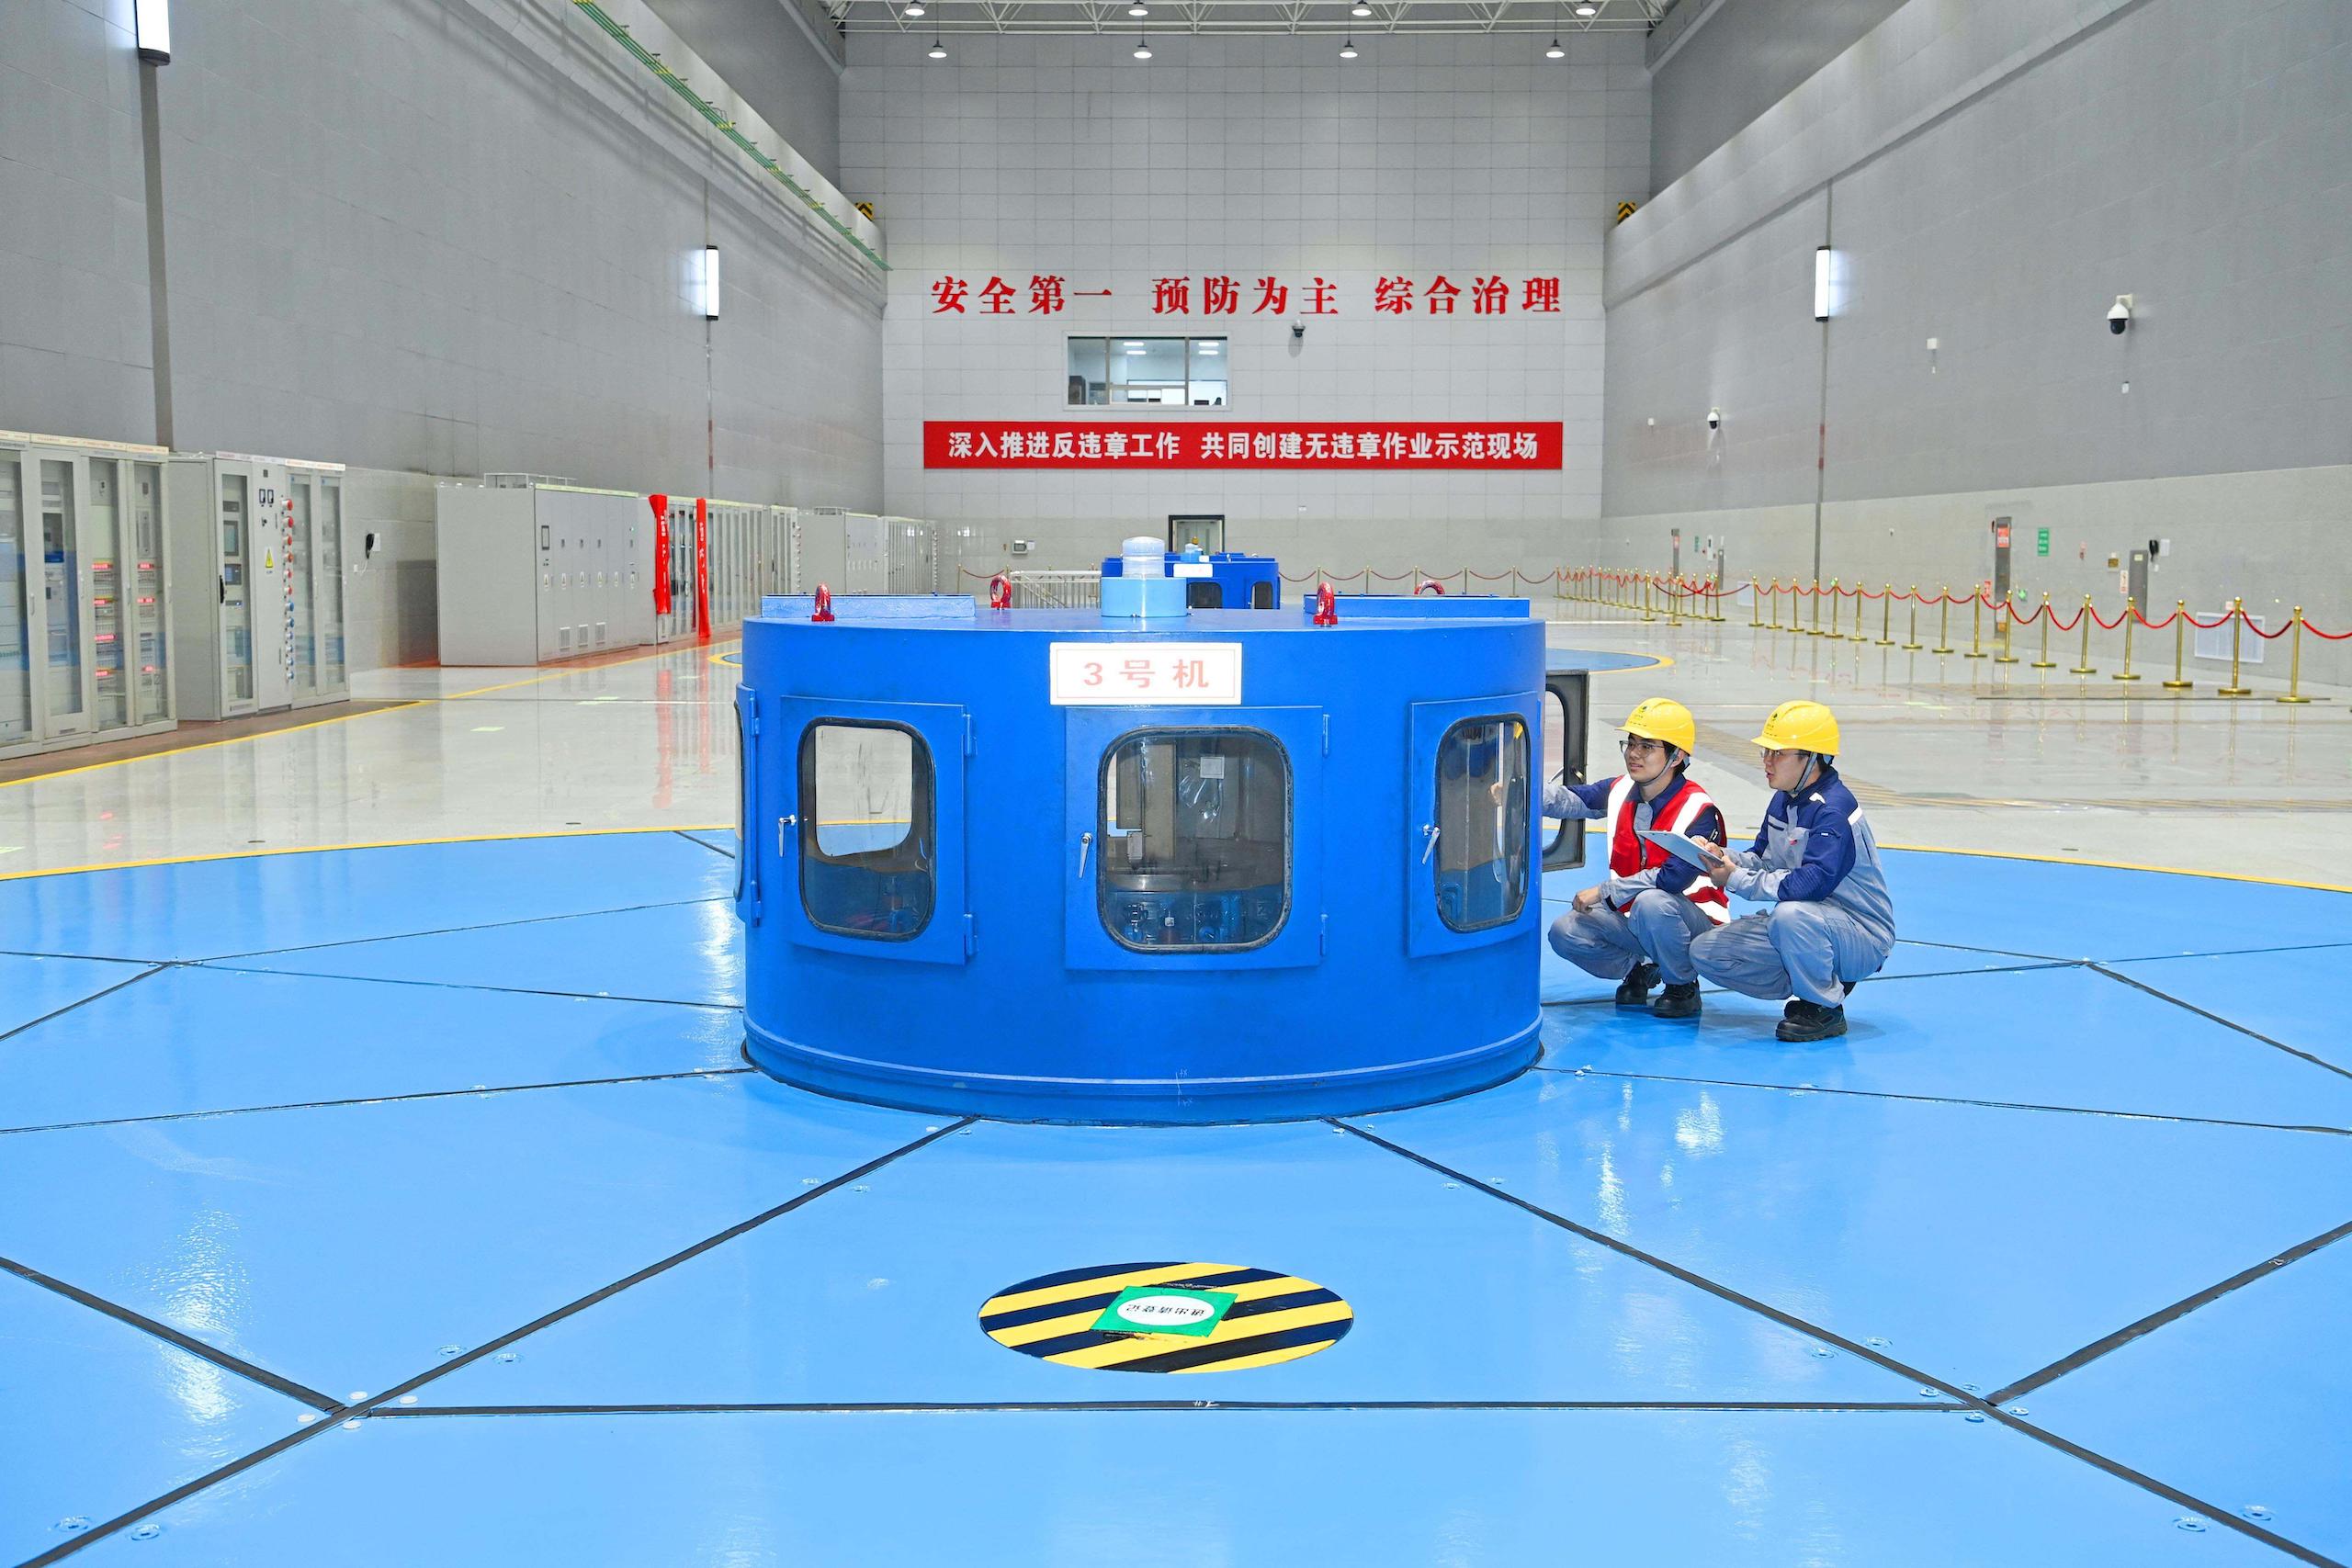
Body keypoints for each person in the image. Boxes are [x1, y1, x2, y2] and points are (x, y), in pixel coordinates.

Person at [1690, 700, 1895, 1042]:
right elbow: (1764, 859)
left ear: (1812, 758)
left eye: (1778, 753)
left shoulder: (1834, 810)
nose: (1767, 762)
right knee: (1705, 953)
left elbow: (1812, 884)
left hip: (1861, 933)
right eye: (1766, 752)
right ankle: (1811, 977)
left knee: (1791, 915)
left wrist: (1735, 879)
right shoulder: (1785, 798)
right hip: (1812, 924)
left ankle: (1824, 1007)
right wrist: (1721, 856)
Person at [1536, 698, 1728, 1019]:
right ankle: (1642, 967)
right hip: (1635, 918)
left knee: (1652, 902)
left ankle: (1682, 985)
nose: (1634, 754)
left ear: (1677, 756)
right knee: (1565, 930)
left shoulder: (1698, 810)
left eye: (1648, 746)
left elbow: (1672, 879)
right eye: (1631, 743)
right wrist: (1521, 791)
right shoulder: (1622, 788)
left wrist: (1603, 891)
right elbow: (1571, 800)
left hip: (1693, 925)